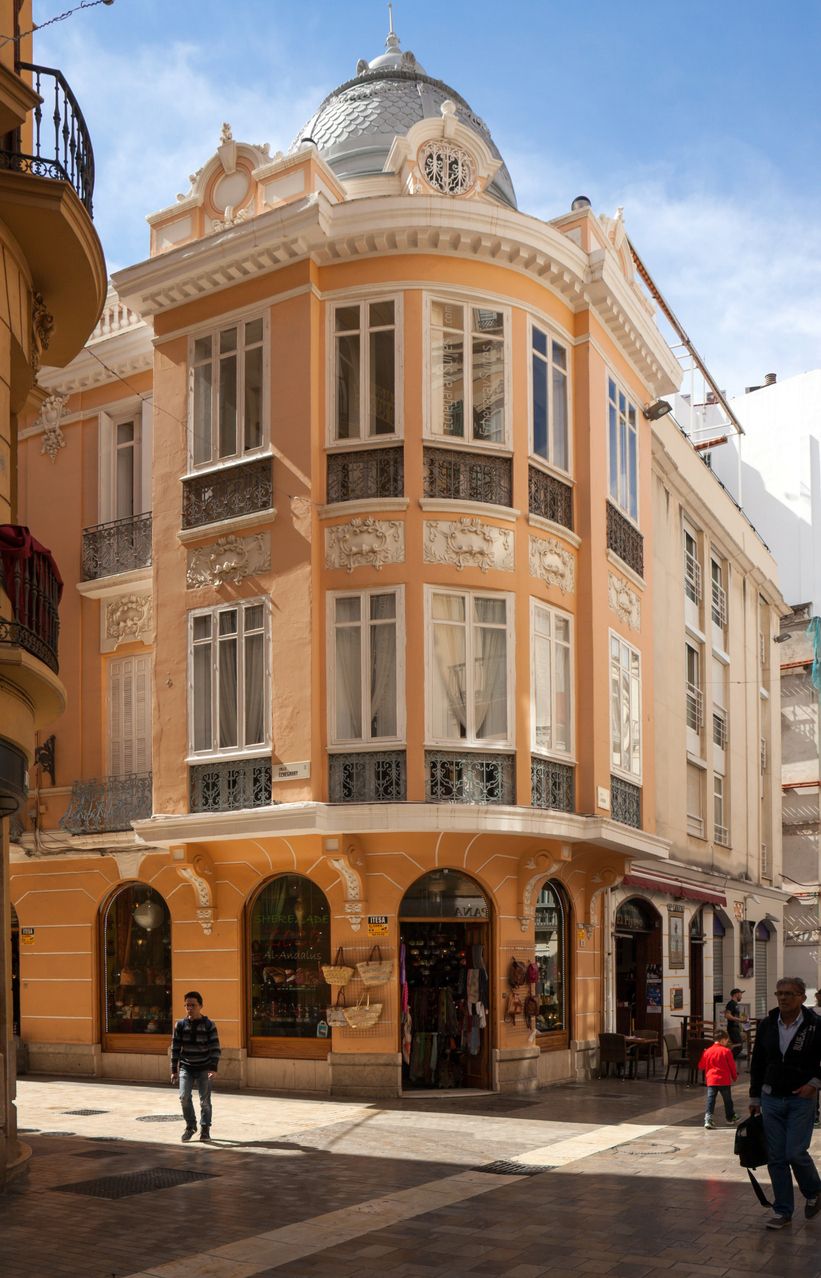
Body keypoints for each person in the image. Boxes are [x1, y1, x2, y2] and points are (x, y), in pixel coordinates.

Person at [749, 976, 821, 1230]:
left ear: (802, 997)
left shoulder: (815, 1025)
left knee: (794, 1153)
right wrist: (754, 1096)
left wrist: (814, 1083)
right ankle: (783, 1211)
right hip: (771, 1098)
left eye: (789, 993)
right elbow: (757, 1062)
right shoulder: (768, 1024)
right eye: (779, 993)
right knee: (776, 1157)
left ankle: (814, 1190)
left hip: (800, 1099)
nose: (783, 998)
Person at [171, 990, 221, 1143]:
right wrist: (174, 1070)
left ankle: (205, 1128)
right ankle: (190, 1126)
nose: (189, 1008)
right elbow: (175, 1048)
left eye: (193, 1005)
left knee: (204, 1101)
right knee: (184, 1097)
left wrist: (213, 1068)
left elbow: (215, 1048)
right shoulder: (180, 1025)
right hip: (186, 1067)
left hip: (204, 1067)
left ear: (201, 1006)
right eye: (187, 1005)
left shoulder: (208, 1025)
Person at [699, 1030, 739, 1128]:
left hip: (711, 1081)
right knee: (727, 1100)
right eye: (726, 1041)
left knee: (711, 1100)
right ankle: (730, 1118)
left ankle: (708, 1119)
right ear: (722, 1040)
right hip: (724, 1081)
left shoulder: (707, 1051)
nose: (727, 1043)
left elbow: (701, 1066)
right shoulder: (726, 1051)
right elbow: (732, 1066)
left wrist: (704, 1055)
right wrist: (734, 1076)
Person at [724, 987, 746, 1059]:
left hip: (736, 1027)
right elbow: (727, 1015)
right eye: (740, 994)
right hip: (732, 1028)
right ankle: (726, 1059)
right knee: (739, 1046)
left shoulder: (735, 1004)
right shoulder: (731, 1004)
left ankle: (728, 1061)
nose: (741, 996)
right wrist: (739, 1019)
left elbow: (735, 1016)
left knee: (738, 1045)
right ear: (736, 994)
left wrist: (742, 1020)